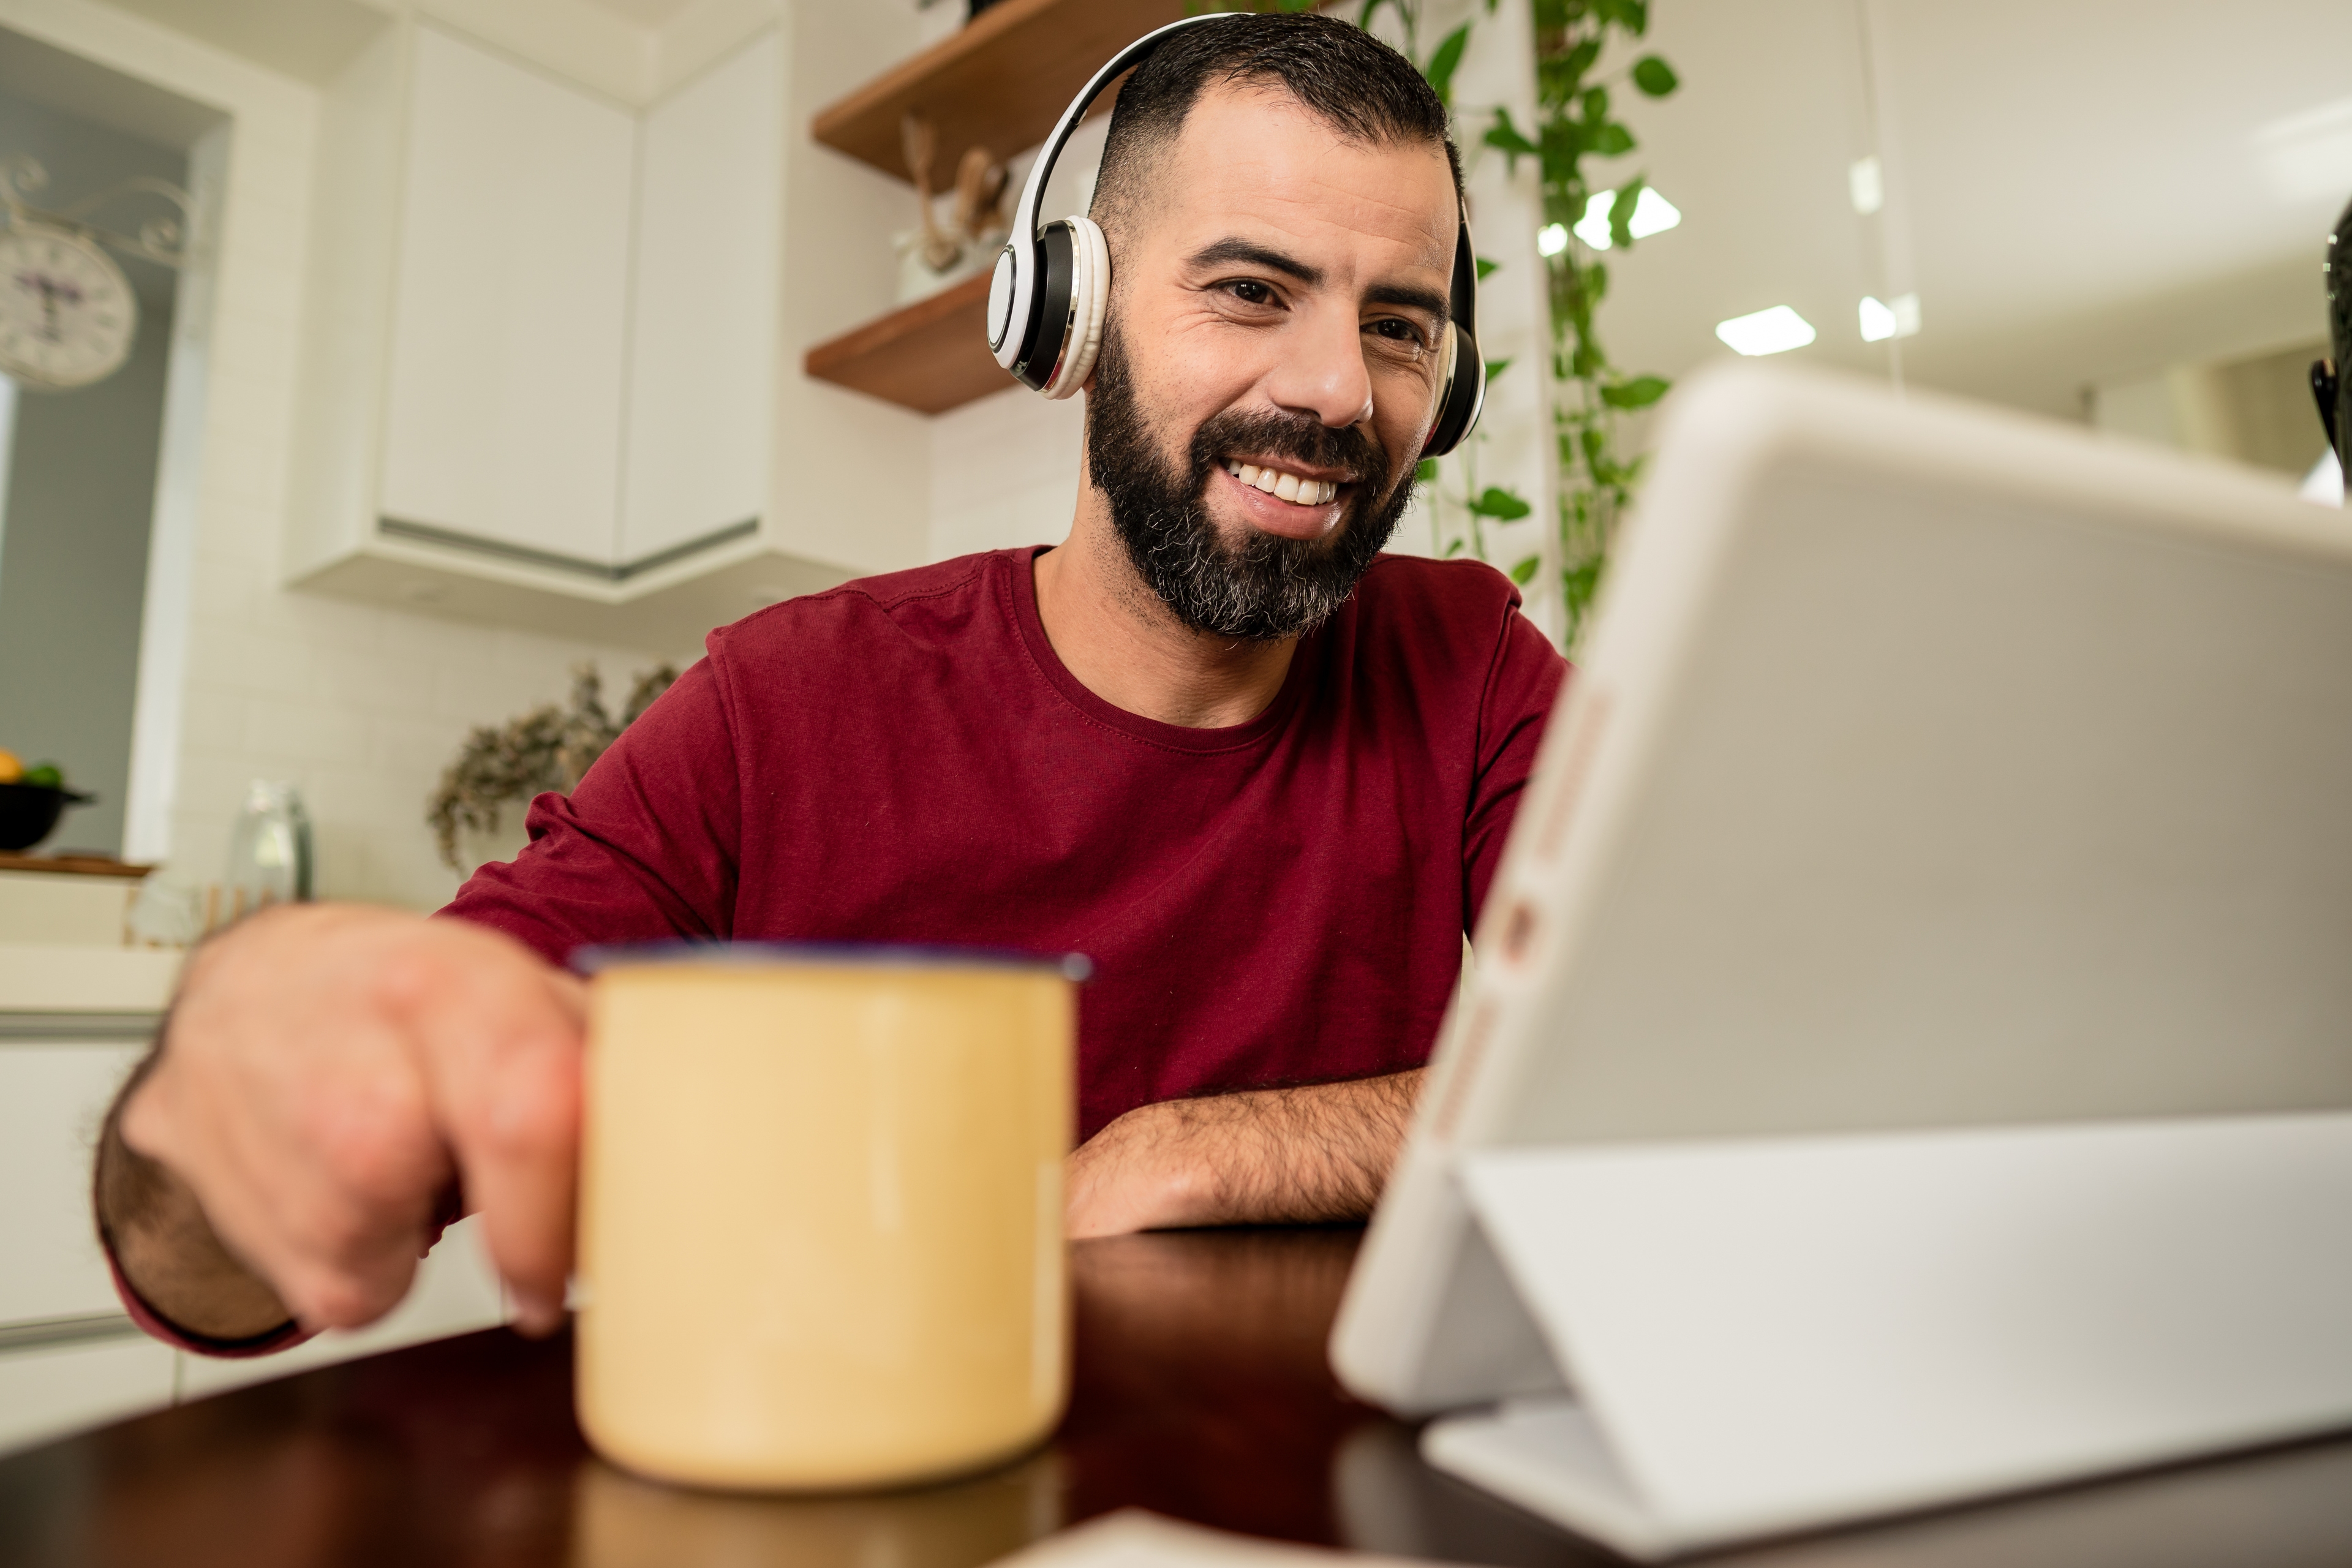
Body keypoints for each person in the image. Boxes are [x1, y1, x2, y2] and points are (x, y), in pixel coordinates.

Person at [93, 12, 1566, 1357]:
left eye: (1398, 324)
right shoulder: (778, 708)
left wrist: (1191, 1150)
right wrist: (226, 1123)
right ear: (1066, 314)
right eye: (1252, 289)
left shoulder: (1478, 666)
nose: (1330, 388)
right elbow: (234, 1274)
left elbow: (1669, 1074)